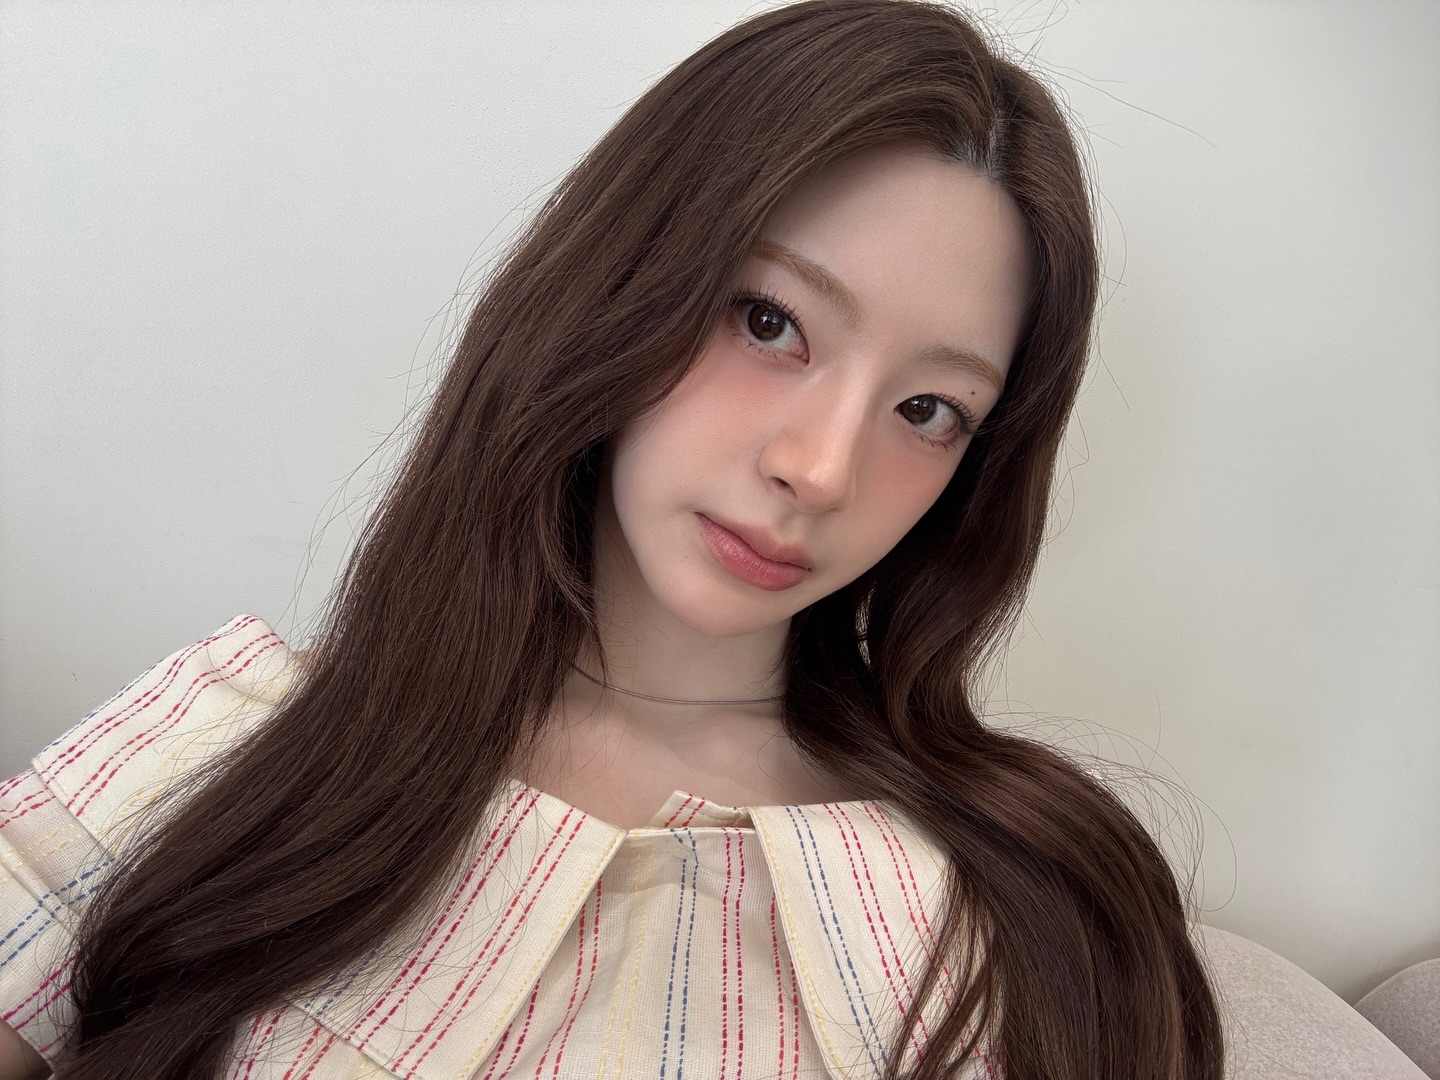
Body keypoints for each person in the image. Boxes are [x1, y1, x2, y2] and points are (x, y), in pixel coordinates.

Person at [0, 1, 1225, 1077]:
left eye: (927, 411)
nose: (820, 468)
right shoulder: (226, 744)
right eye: (768, 321)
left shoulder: (1019, 905)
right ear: (621, 286)